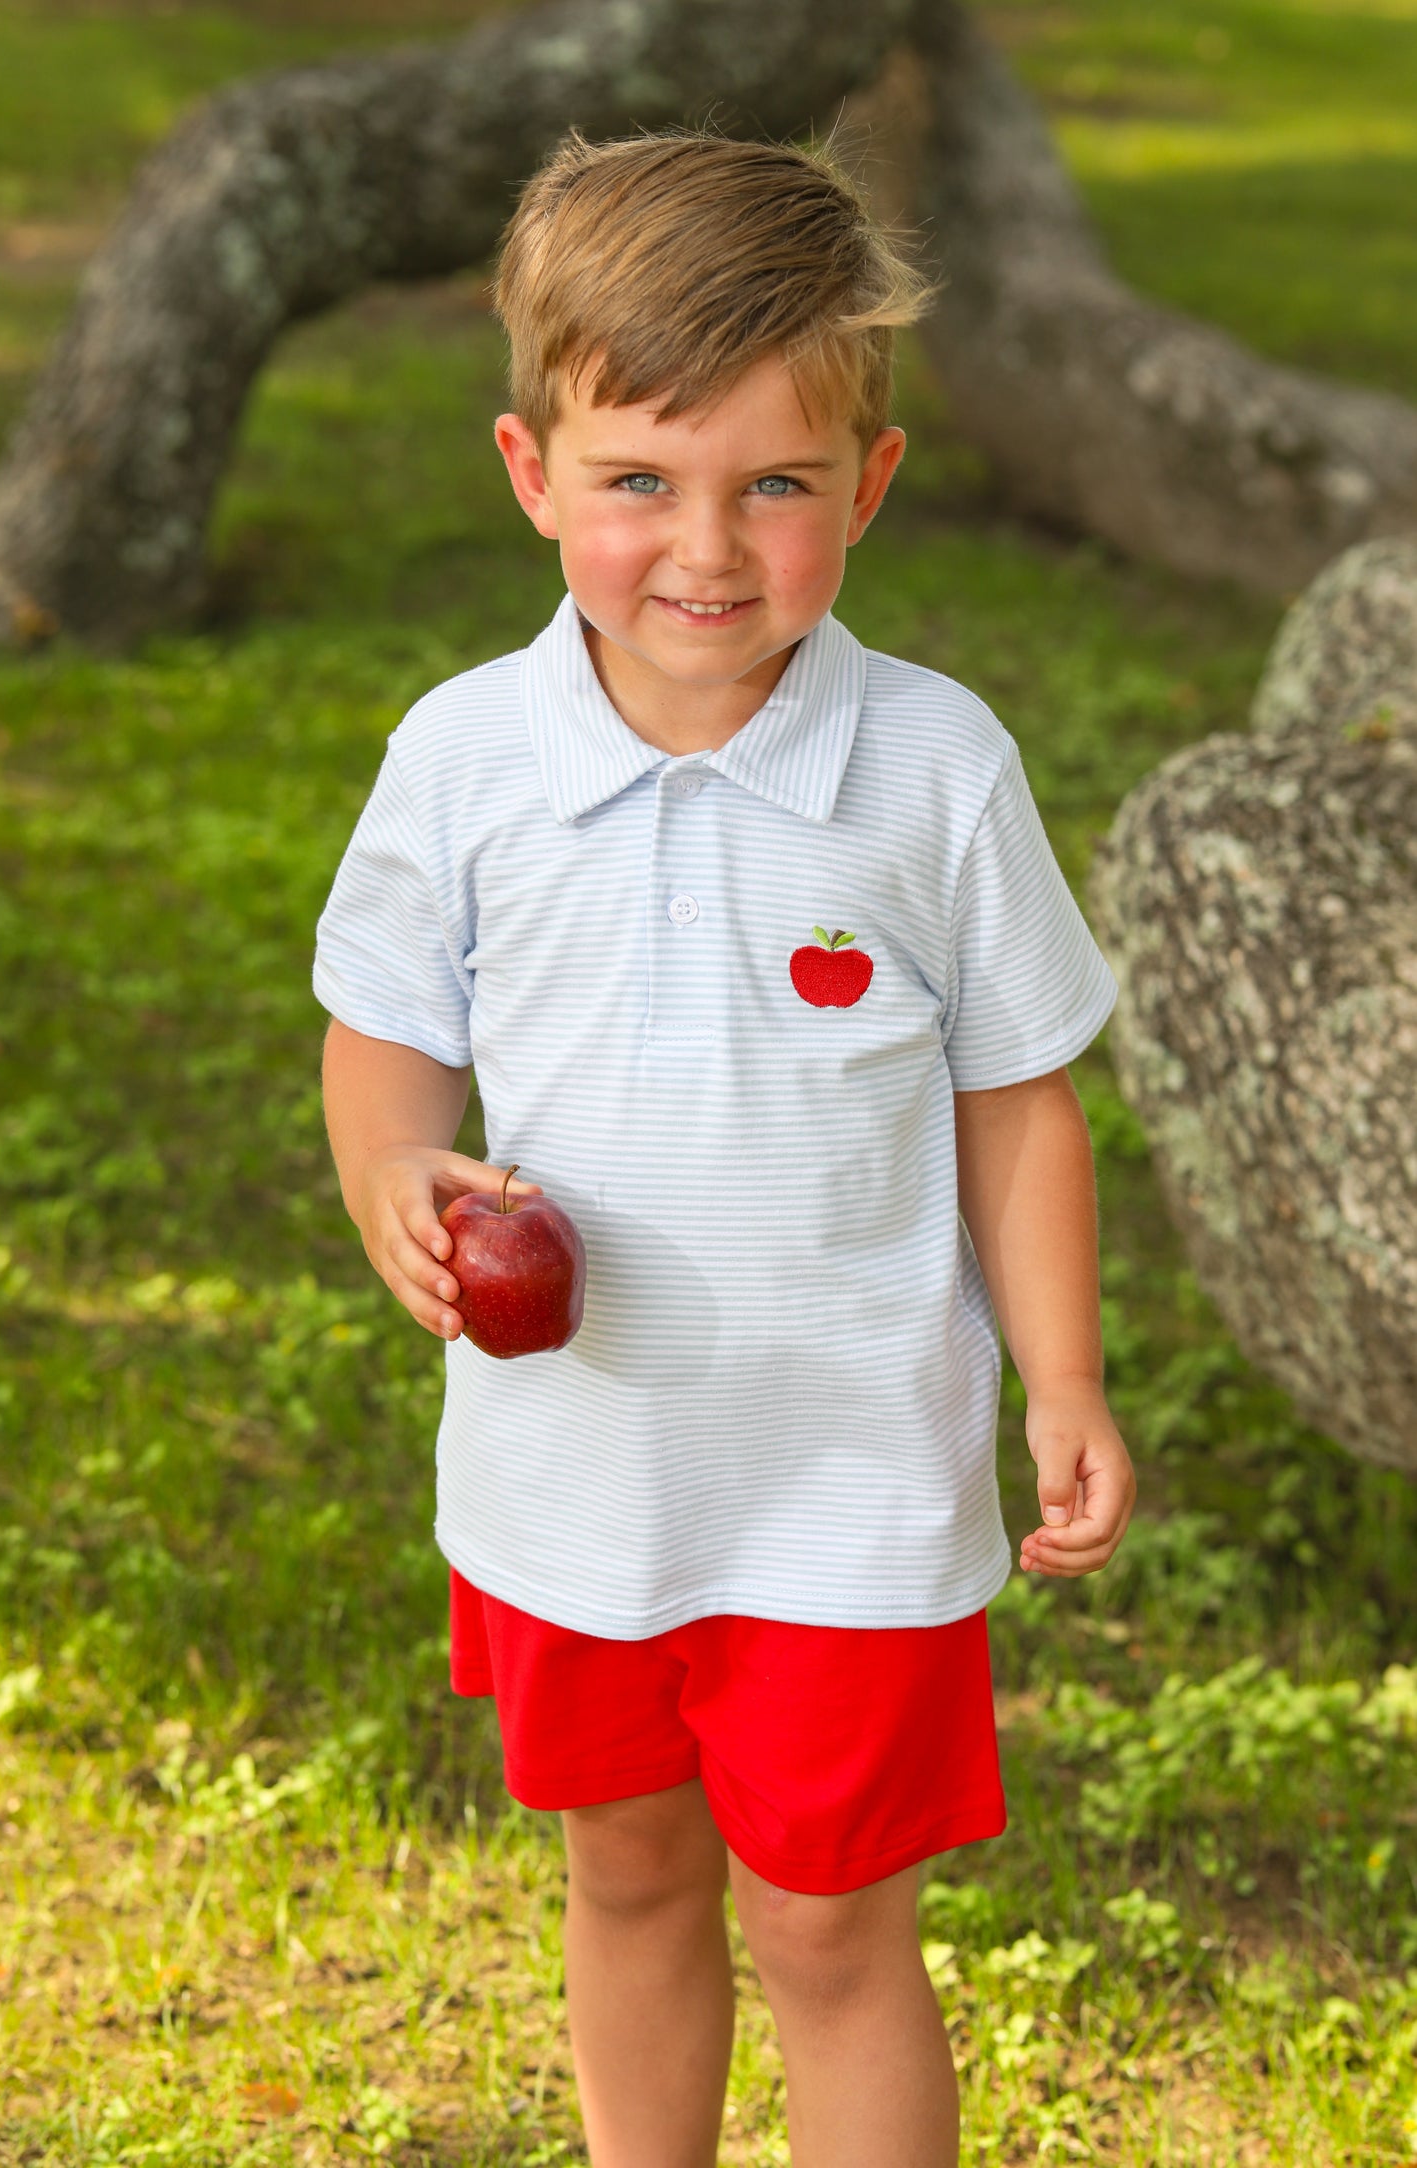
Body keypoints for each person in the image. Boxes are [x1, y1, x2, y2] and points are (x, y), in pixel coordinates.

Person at [315, 128, 1136, 2168]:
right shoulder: (466, 758)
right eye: (640, 483)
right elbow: (385, 1039)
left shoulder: (933, 768)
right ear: (533, 477)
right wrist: (397, 1179)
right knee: (628, 1881)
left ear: (867, 484)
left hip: (851, 1480)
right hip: (581, 1467)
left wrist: (1064, 1376)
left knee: (836, 1925)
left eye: (775, 483)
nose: (708, 545)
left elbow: (1017, 1096)